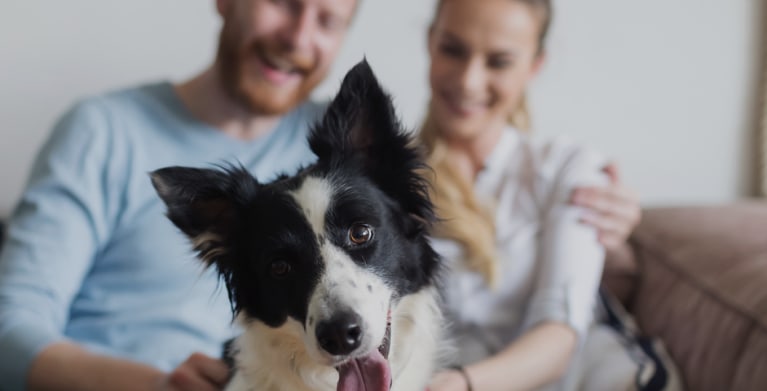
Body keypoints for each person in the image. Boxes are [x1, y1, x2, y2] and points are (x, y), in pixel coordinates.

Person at [0, 0, 639, 390]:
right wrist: (149, 385)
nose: (300, 36)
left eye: (329, 17)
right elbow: (9, 329)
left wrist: (625, 244)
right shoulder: (103, 130)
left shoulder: (336, 157)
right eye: (282, 0)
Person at [420, 0, 663, 390]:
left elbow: (560, 335)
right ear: (431, 42)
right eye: (453, 50)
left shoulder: (569, 169)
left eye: (498, 62)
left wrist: (462, 384)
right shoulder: (382, 179)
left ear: (535, 65)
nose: (468, 81)